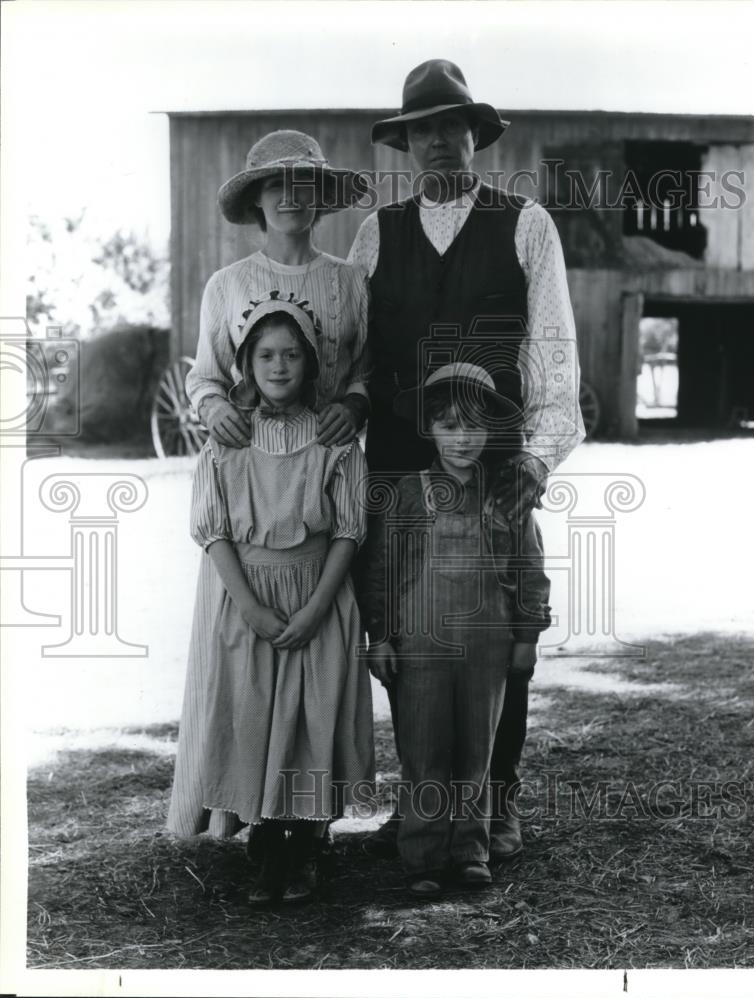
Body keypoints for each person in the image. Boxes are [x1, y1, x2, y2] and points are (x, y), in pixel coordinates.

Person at [349, 59, 585, 861]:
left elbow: (553, 352)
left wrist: (538, 460)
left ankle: (494, 801)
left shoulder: (525, 225)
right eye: (423, 130)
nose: (439, 141)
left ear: (475, 136)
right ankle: (425, 802)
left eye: (452, 126)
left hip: (493, 462)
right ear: (406, 143)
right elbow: (355, 356)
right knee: (407, 639)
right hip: (398, 465)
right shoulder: (376, 233)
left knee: (497, 634)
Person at [167, 294, 374, 905]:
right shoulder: (227, 443)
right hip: (249, 598)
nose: (279, 366)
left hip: (318, 596)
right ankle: (266, 846)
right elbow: (213, 532)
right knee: (253, 713)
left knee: (313, 716)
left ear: (311, 364)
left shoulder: (337, 442)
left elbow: (348, 531)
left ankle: (305, 845)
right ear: (246, 365)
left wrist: (316, 608)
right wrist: (251, 607)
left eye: (291, 355)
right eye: (265, 355)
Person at [361, 363, 551, 899]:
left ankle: (470, 850)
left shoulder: (506, 498)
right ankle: (423, 856)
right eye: (449, 425)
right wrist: (379, 636)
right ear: (429, 428)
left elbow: (530, 569)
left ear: (490, 430)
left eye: (474, 425)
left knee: (477, 750)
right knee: (424, 750)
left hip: (488, 646)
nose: (463, 437)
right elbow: (380, 570)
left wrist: (527, 637)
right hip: (420, 647)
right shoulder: (407, 494)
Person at [187, 129, 372, 449]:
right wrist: (214, 408)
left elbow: (364, 372)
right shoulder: (226, 285)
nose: (289, 197)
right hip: (251, 457)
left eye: (302, 184)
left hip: (332, 457)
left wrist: (353, 408)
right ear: (256, 197)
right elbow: (206, 376)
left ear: (319, 193)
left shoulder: (352, 280)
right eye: (275, 185)